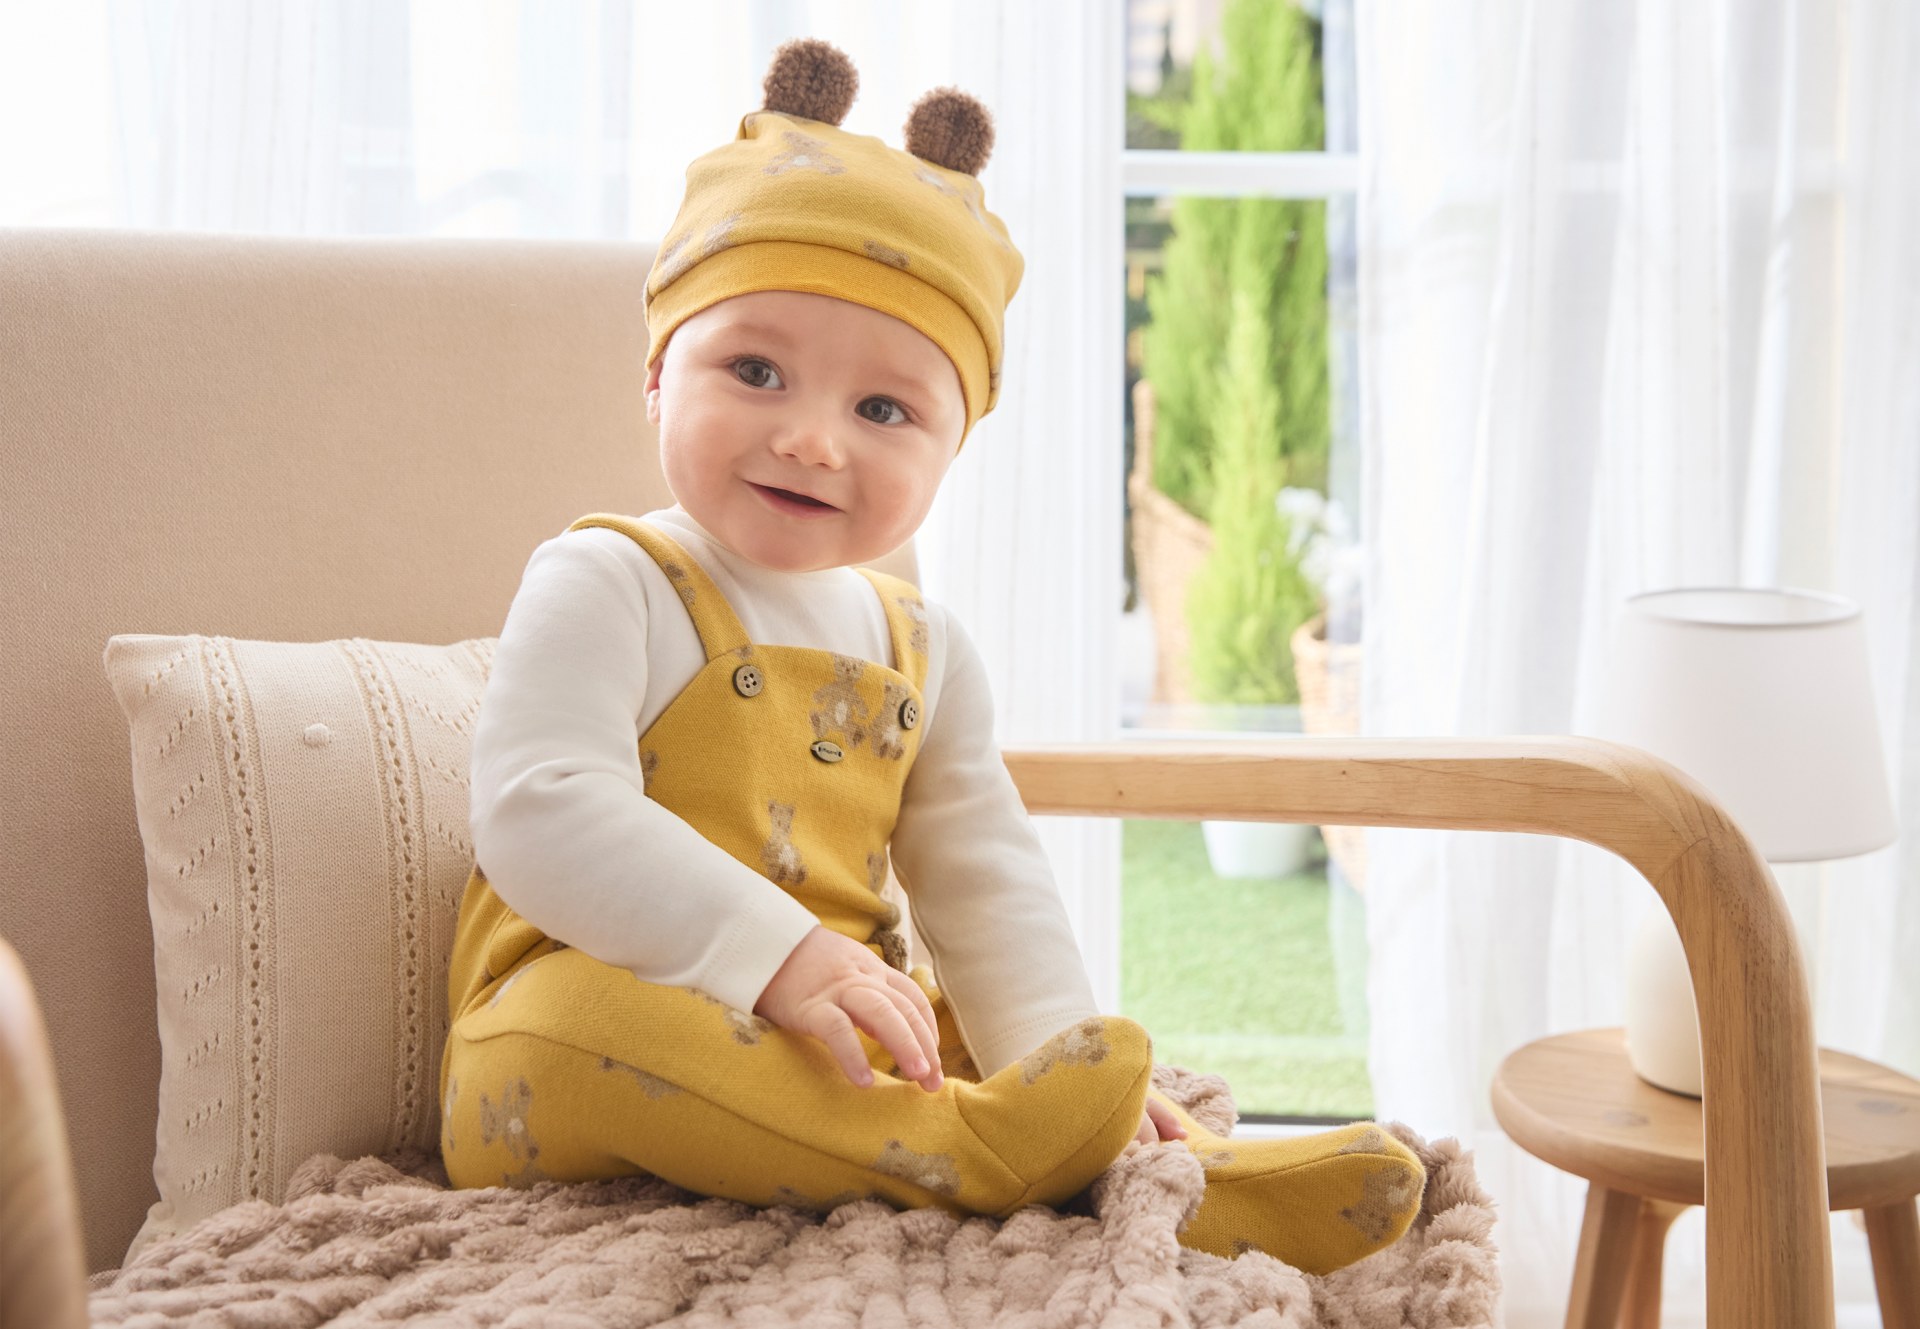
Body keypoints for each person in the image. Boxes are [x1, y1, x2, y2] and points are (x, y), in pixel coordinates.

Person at [437, 38, 1423, 1275]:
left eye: (884, 410)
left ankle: (1151, 1164)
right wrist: (781, 953)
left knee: (963, 1035)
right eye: (755, 369)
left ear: (953, 449)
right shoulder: (612, 578)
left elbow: (984, 883)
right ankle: (994, 1163)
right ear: (654, 376)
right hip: (572, 1032)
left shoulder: (924, 646)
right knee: (593, 1025)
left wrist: (1061, 1060)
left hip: (824, 1037)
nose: (810, 439)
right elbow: (541, 810)